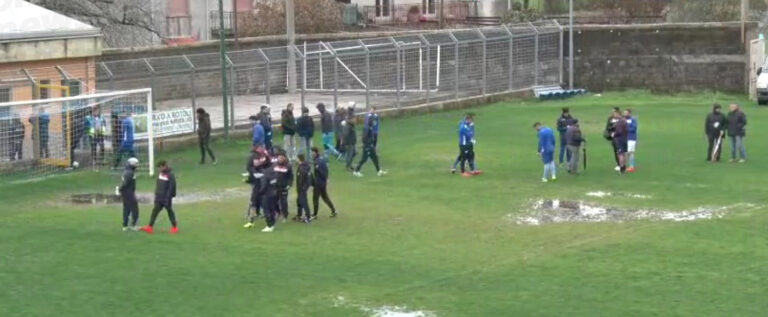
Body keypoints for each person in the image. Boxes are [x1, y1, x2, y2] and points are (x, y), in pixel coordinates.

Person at [141, 161, 179, 234]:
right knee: (155, 211)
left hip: (166, 198)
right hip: (159, 197)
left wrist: (168, 198)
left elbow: (172, 187)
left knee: (169, 211)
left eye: (160, 167)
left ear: (164, 166)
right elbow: (158, 185)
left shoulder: (170, 175)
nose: (159, 169)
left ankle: (174, 227)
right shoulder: (160, 174)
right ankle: (150, 227)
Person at [244, 147, 269, 227]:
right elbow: (250, 168)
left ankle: (267, 217)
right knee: (254, 201)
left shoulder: (263, 158)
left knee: (260, 201)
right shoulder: (254, 158)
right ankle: (251, 218)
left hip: (261, 184)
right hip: (258, 184)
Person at [311, 147, 337, 219]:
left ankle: (314, 214)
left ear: (316, 152)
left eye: (313, 152)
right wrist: (326, 179)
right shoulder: (321, 159)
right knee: (325, 197)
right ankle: (333, 210)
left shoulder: (318, 162)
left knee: (315, 198)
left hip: (318, 183)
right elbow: (326, 170)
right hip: (322, 182)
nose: (312, 154)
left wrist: (324, 179)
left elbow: (321, 172)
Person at [117, 157, 140, 231]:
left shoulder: (127, 171)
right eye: (136, 164)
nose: (137, 165)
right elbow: (125, 183)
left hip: (127, 192)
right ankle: (133, 225)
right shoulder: (130, 172)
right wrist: (120, 189)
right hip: (128, 193)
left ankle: (125, 225)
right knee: (134, 209)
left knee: (127, 209)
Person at [454, 113, 481, 177]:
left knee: (471, 156)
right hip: (464, 145)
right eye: (471, 120)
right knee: (464, 157)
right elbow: (470, 135)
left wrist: (471, 127)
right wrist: (471, 129)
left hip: (469, 144)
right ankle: (462, 172)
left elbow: (471, 133)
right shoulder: (464, 127)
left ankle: (473, 170)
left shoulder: (467, 125)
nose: (472, 122)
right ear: (468, 120)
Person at [274, 151, 293, 222]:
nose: (280, 159)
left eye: (281, 158)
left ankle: (285, 215)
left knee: (283, 202)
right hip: (275, 186)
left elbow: (291, 177)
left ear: (284, 158)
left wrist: (289, 185)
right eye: (279, 158)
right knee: (274, 201)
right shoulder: (274, 165)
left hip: (284, 187)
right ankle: (278, 212)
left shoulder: (288, 166)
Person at [294, 153, 312, 223]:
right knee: (299, 201)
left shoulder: (302, 168)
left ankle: (308, 217)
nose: (295, 159)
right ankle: (299, 215)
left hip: (301, 188)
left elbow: (304, 179)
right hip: (301, 188)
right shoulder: (304, 166)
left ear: (299, 159)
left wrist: (303, 188)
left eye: (296, 158)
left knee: (304, 202)